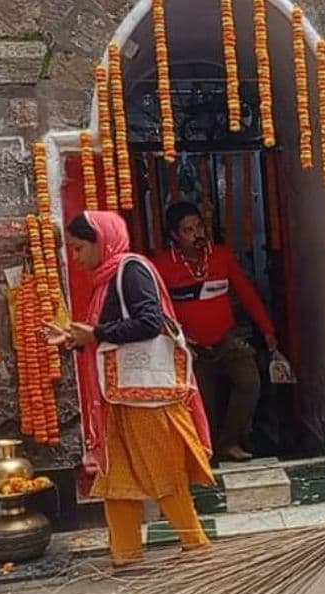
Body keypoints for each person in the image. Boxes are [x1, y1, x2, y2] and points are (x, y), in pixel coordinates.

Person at [47, 212, 213, 567]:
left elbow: (149, 323)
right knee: (116, 478)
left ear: (101, 241)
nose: (76, 257)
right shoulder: (106, 278)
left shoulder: (131, 270)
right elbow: (108, 335)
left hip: (147, 399)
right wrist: (76, 339)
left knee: (164, 471)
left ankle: (195, 545)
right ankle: (125, 556)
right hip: (119, 397)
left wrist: (96, 333)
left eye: (79, 248)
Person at [153, 202, 278, 463]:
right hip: (192, 348)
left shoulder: (221, 256)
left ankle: (228, 443)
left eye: (199, 227)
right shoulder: (162, 266)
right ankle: (208, 450)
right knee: (205, 405)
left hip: (227, 338)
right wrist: (176, 340)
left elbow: (246, 294)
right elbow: (158, 309)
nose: (196, 234)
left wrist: (267, 329)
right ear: (175, 235)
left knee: (249, 383)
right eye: (188, 230)